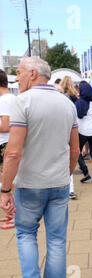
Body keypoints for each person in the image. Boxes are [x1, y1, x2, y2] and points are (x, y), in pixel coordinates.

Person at [0, 57, 79, 278]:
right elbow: (75, 150)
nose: (17, 77)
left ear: (33, 73)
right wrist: (64, 176)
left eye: (20, 72)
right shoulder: (67, 103)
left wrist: (5, 190)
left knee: (25, 233)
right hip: (58, 184)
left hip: (30, 184)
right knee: (56, 240)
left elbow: (13, 152)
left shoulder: (23, 102)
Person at [76, 82, 92, 185]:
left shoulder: (79, 102)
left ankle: (85, 172)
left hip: (83, 131)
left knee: (77, 152)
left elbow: (78, 117)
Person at [59, 76, 79, 199]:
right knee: (72, 153)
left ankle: (66, 186)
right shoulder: (73, 97)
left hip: (61, 130)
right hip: (72, 128)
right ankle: (69, 187)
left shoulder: (59, 97)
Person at [0, 69, 15, 230]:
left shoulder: (3, 100)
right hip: (10, 143)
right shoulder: (12, 98)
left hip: (4, 144)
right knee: (8, 181)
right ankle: (12, 213)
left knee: (8, 182)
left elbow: (5, 125)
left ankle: (15, 215)